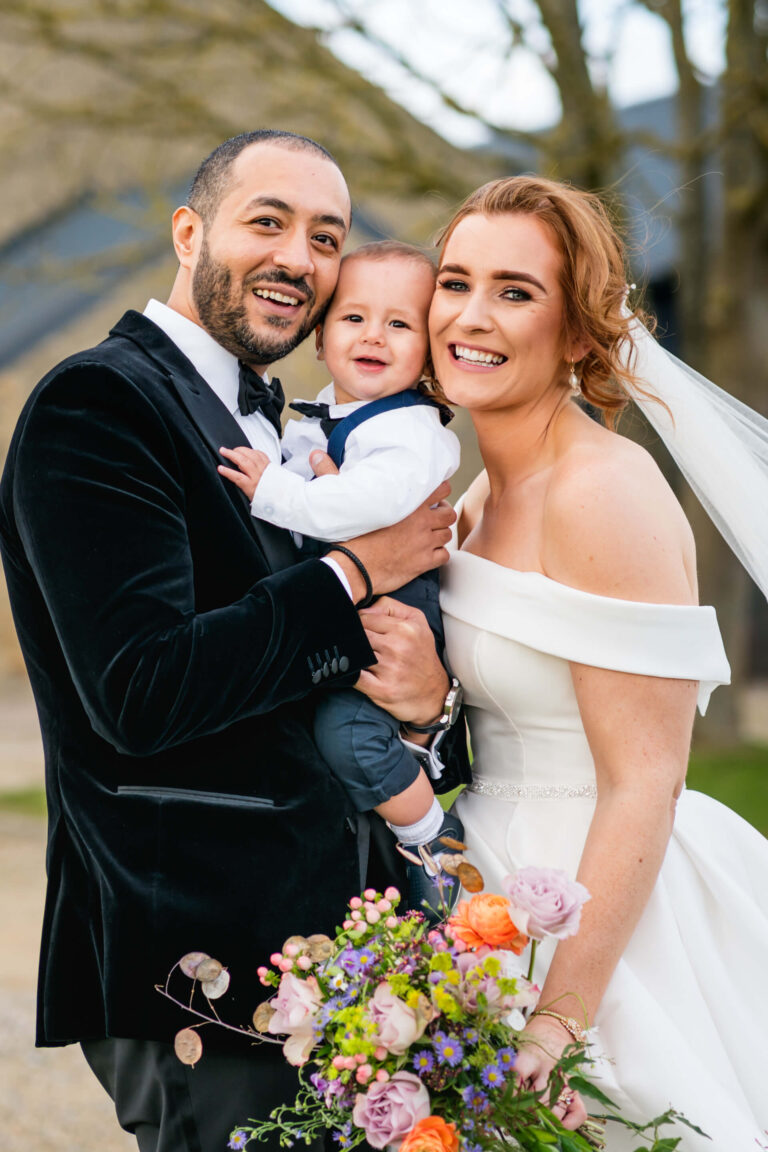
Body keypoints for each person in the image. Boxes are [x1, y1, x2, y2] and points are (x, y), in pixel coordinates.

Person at [0, 130, 469, 1152]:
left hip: (348, 961)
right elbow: (142, 689)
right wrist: (352, 572)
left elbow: (331, 680)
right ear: (188, 232)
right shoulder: (98, 405)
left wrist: (430, 699)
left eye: (326, 236)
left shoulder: (314, 433)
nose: (299, 257)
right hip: (199, 955)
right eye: (268, 221)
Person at [429, 175, 768, 1149]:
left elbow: (646, 779)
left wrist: (556, 1020)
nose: (470, 317)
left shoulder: (602, 494)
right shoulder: (479, 491)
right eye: (455, 282)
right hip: (484, 888)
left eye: (515, 291)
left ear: (581, 333)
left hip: (600, 909)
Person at [217, 240, 466, 919]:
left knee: (347, 735)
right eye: (354, 318)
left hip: (389, 614)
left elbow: (364, 507)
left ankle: (434, 842)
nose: (374, 337)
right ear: (320, 336)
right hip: (342, 612)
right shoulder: (331, 414)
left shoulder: (410, 432)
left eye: (400, 323)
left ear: (429, 350)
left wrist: (278, 493)